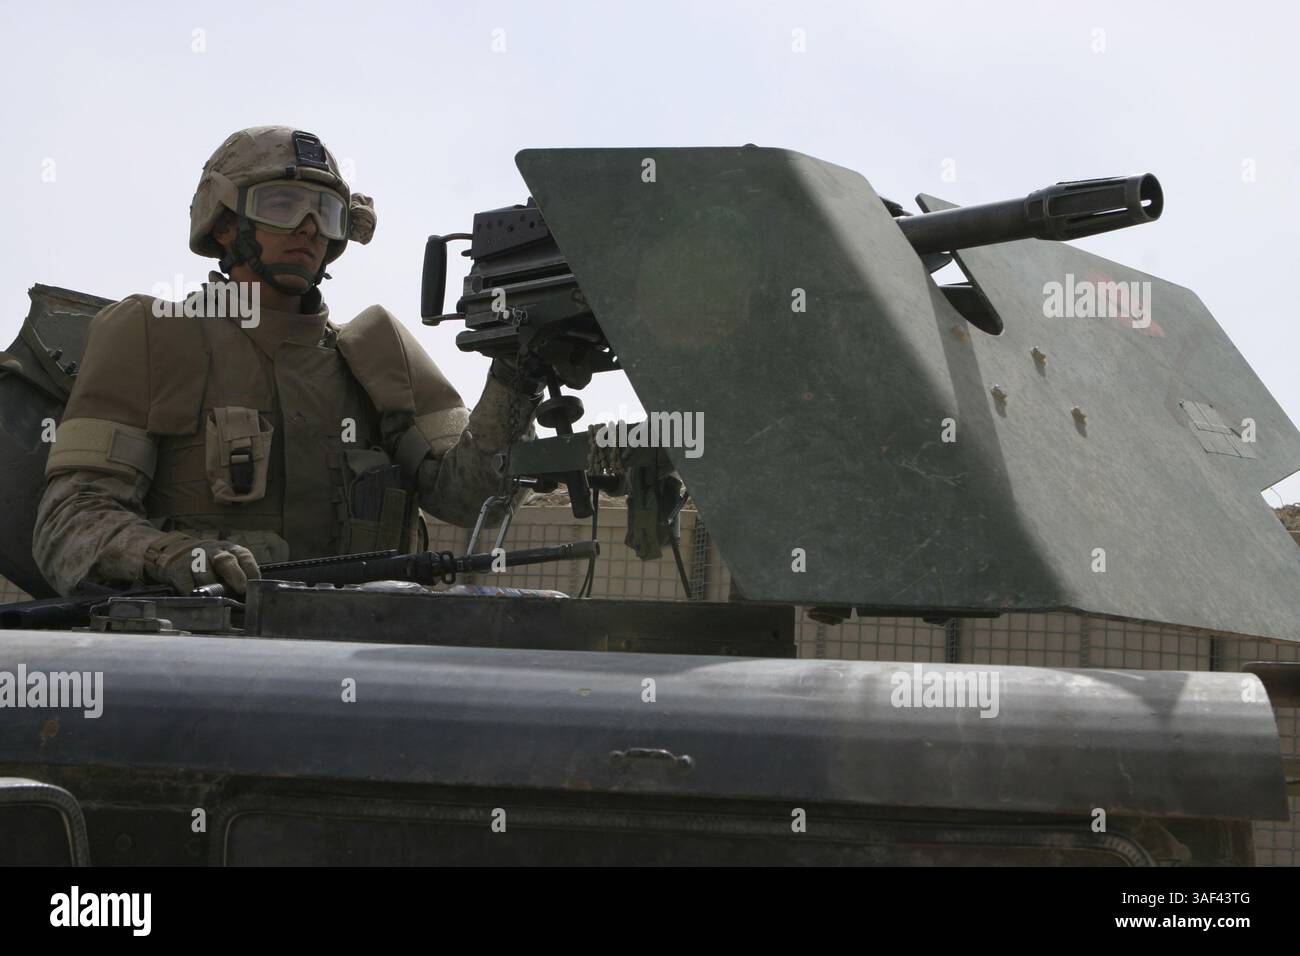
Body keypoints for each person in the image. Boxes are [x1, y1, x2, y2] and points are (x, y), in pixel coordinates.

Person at [34, 126, 541, 597]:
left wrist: (515, 376)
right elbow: (70, 523)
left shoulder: (377, 352)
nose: (309, 229)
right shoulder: (154, 333)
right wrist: (174, 556)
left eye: (327, 212)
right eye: (283, 205)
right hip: (197, 658)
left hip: (367, 653)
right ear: (227, 224)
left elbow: (472, 502)